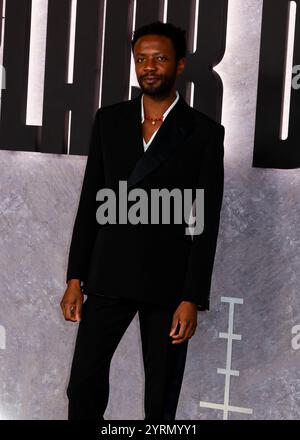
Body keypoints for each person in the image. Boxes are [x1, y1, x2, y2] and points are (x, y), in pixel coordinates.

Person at [60, 21, 225, 421]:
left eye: (160, 58)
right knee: (82, 385)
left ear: (180, 65)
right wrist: (74, 278)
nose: (149, 66)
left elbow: (203, 223)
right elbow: (90, 204)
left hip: (168, 284)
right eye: (142, 59)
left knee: (160, 400)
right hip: (108, 274)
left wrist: (192, 297)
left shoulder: (203, 133)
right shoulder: (110, 120)